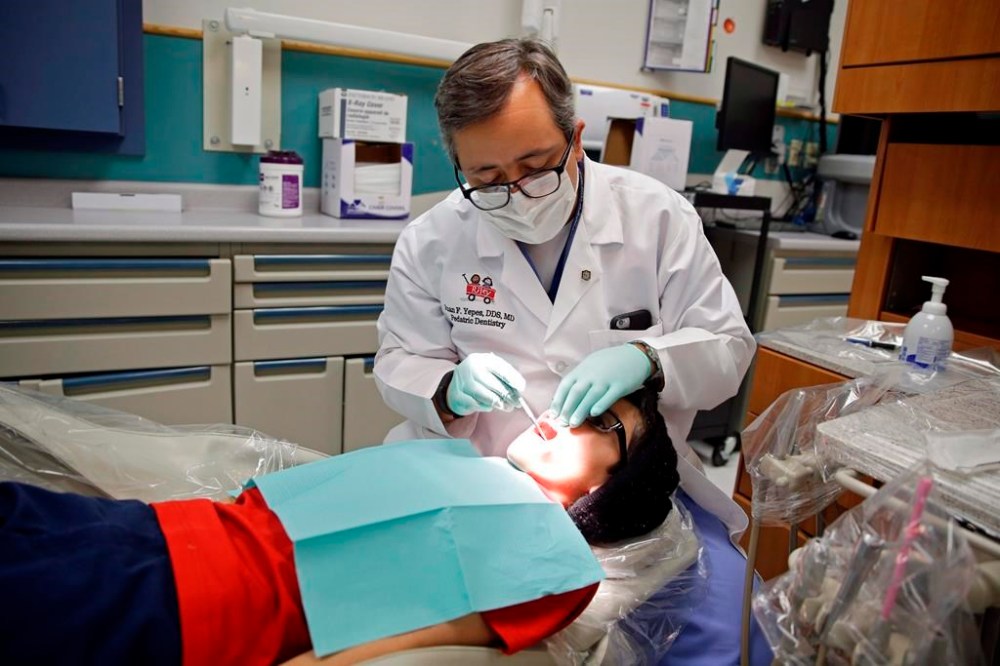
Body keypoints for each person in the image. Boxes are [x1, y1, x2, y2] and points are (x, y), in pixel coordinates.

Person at [373, 38, 764, 664]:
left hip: (622, 507)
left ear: (576, 137)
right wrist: (446, 387)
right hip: (471, 476)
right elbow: (398, 360)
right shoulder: (433, 240)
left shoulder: (656, 218)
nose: (517, 192)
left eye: (535, 166)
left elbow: (726, 346)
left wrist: (649, 358)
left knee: (724, 629)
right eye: (488, 178)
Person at [0, 390, 680, 666]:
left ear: (610, 485)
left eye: (605, 424)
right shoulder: (469, 465)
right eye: (580, 400)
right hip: (168, 531)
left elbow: (418, 640)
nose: (569, 414)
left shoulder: (558, 560)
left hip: (196, 606)